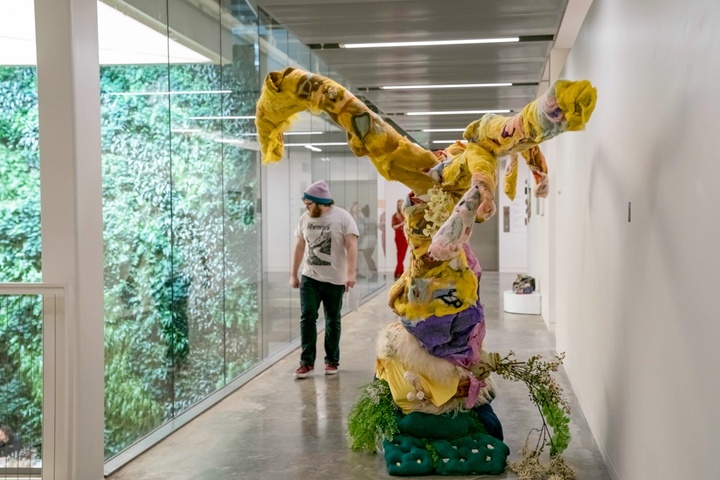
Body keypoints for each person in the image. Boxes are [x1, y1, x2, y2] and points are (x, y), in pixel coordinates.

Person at [290, 180, 359, 378]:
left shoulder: (343, 217)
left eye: (309, 204)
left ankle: (331, 361)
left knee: (332, 320)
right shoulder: (305, 218)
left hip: (335, 279)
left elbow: (352, 245)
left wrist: (350, 273)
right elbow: (300, 246)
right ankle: (306, 362)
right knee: (307, 317)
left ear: (320, 202)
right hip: (310, 277)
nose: (306, 208)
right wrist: (293, 274)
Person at [359, 204, 378, 281]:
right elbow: (376, 230)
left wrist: (359, 242)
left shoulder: (363, 221)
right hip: (373, 239)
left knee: (367, 257)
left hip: (366, 240)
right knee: (369, 257)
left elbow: (362, 232)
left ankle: (374, 274)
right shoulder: (373, 220)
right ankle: (374, 273)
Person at [391, 198, 409, 279]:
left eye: (401, 204)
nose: (400, 206)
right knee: (399, 254)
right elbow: (393, 226)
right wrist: (401, 224)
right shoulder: (395, 216)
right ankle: (399, 271)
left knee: (402, 254)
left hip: (405, 235)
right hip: (398, 235)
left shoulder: (407, 214)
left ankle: (399, 271)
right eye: (398, 204)